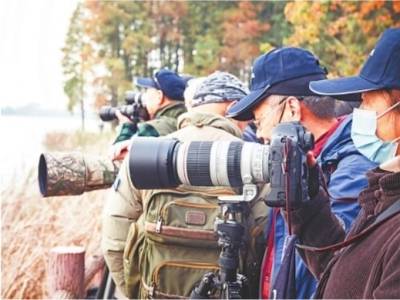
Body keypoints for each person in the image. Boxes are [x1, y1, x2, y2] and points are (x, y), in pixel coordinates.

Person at [101, 71, 269, 298]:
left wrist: (134, 292)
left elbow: (114, 239)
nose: (250, 123)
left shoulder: (146, 154)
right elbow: (263, 240)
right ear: (234, 106)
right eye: (247, 114)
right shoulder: (253, 160)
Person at [227, 47, 377, 298]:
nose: (260, 133)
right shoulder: (291, 162)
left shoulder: (353, 167)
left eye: (259, 119)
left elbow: (334, 260)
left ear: (293, 109)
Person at [289, 28, 400, 298]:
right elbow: (343, 274)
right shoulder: (386, 190)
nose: (358, 112)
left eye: (367, 99)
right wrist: (306, 198)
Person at [110, 69, 187, 160]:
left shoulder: (152, 128)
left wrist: (126, 127)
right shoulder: (185, 119)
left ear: (159, 96)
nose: (144, 96)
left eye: (147, 90)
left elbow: (117, 157)